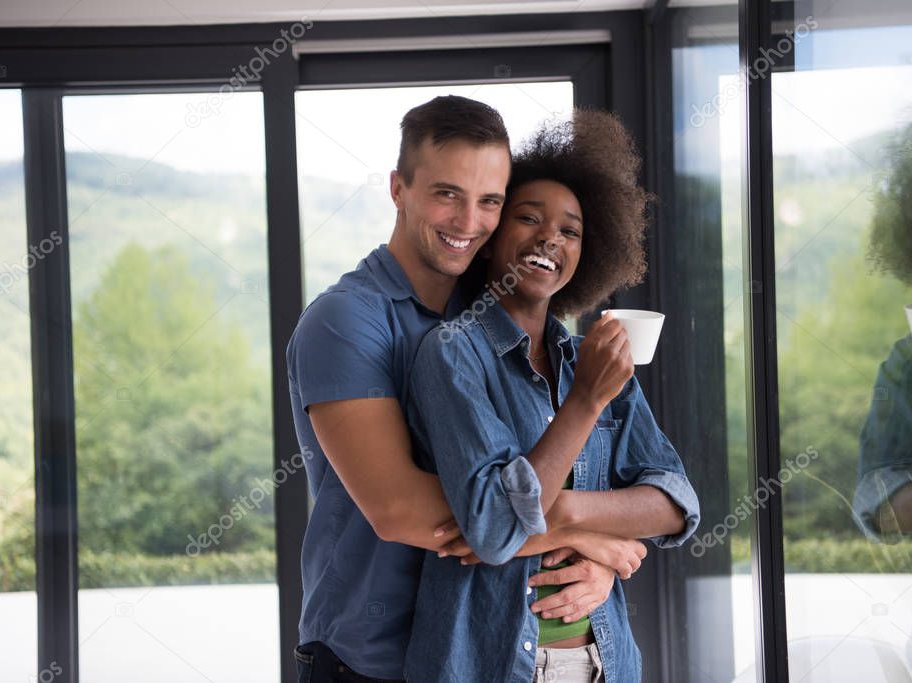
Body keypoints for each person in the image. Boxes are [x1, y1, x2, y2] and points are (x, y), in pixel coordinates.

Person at [287, 96, 687, 682]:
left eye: (490, 202)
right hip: (368, 658)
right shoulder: (347, 321)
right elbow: (402, 511)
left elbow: (577, 488)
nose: (468, 221)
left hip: (480, 653)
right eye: (447, 193)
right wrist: (590, 537)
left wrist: (585, 534)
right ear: (398, 188)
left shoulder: (499, 334)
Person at [404, 110, 700, 683]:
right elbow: (493, 528)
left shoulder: (592, 361)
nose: (549, 238)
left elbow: (676, 504)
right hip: (483, 666)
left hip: (601, 663)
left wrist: (569, 518)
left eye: (570, 231)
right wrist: (585, 403)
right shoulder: (452, 355)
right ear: (490, 239)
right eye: (528, 218)